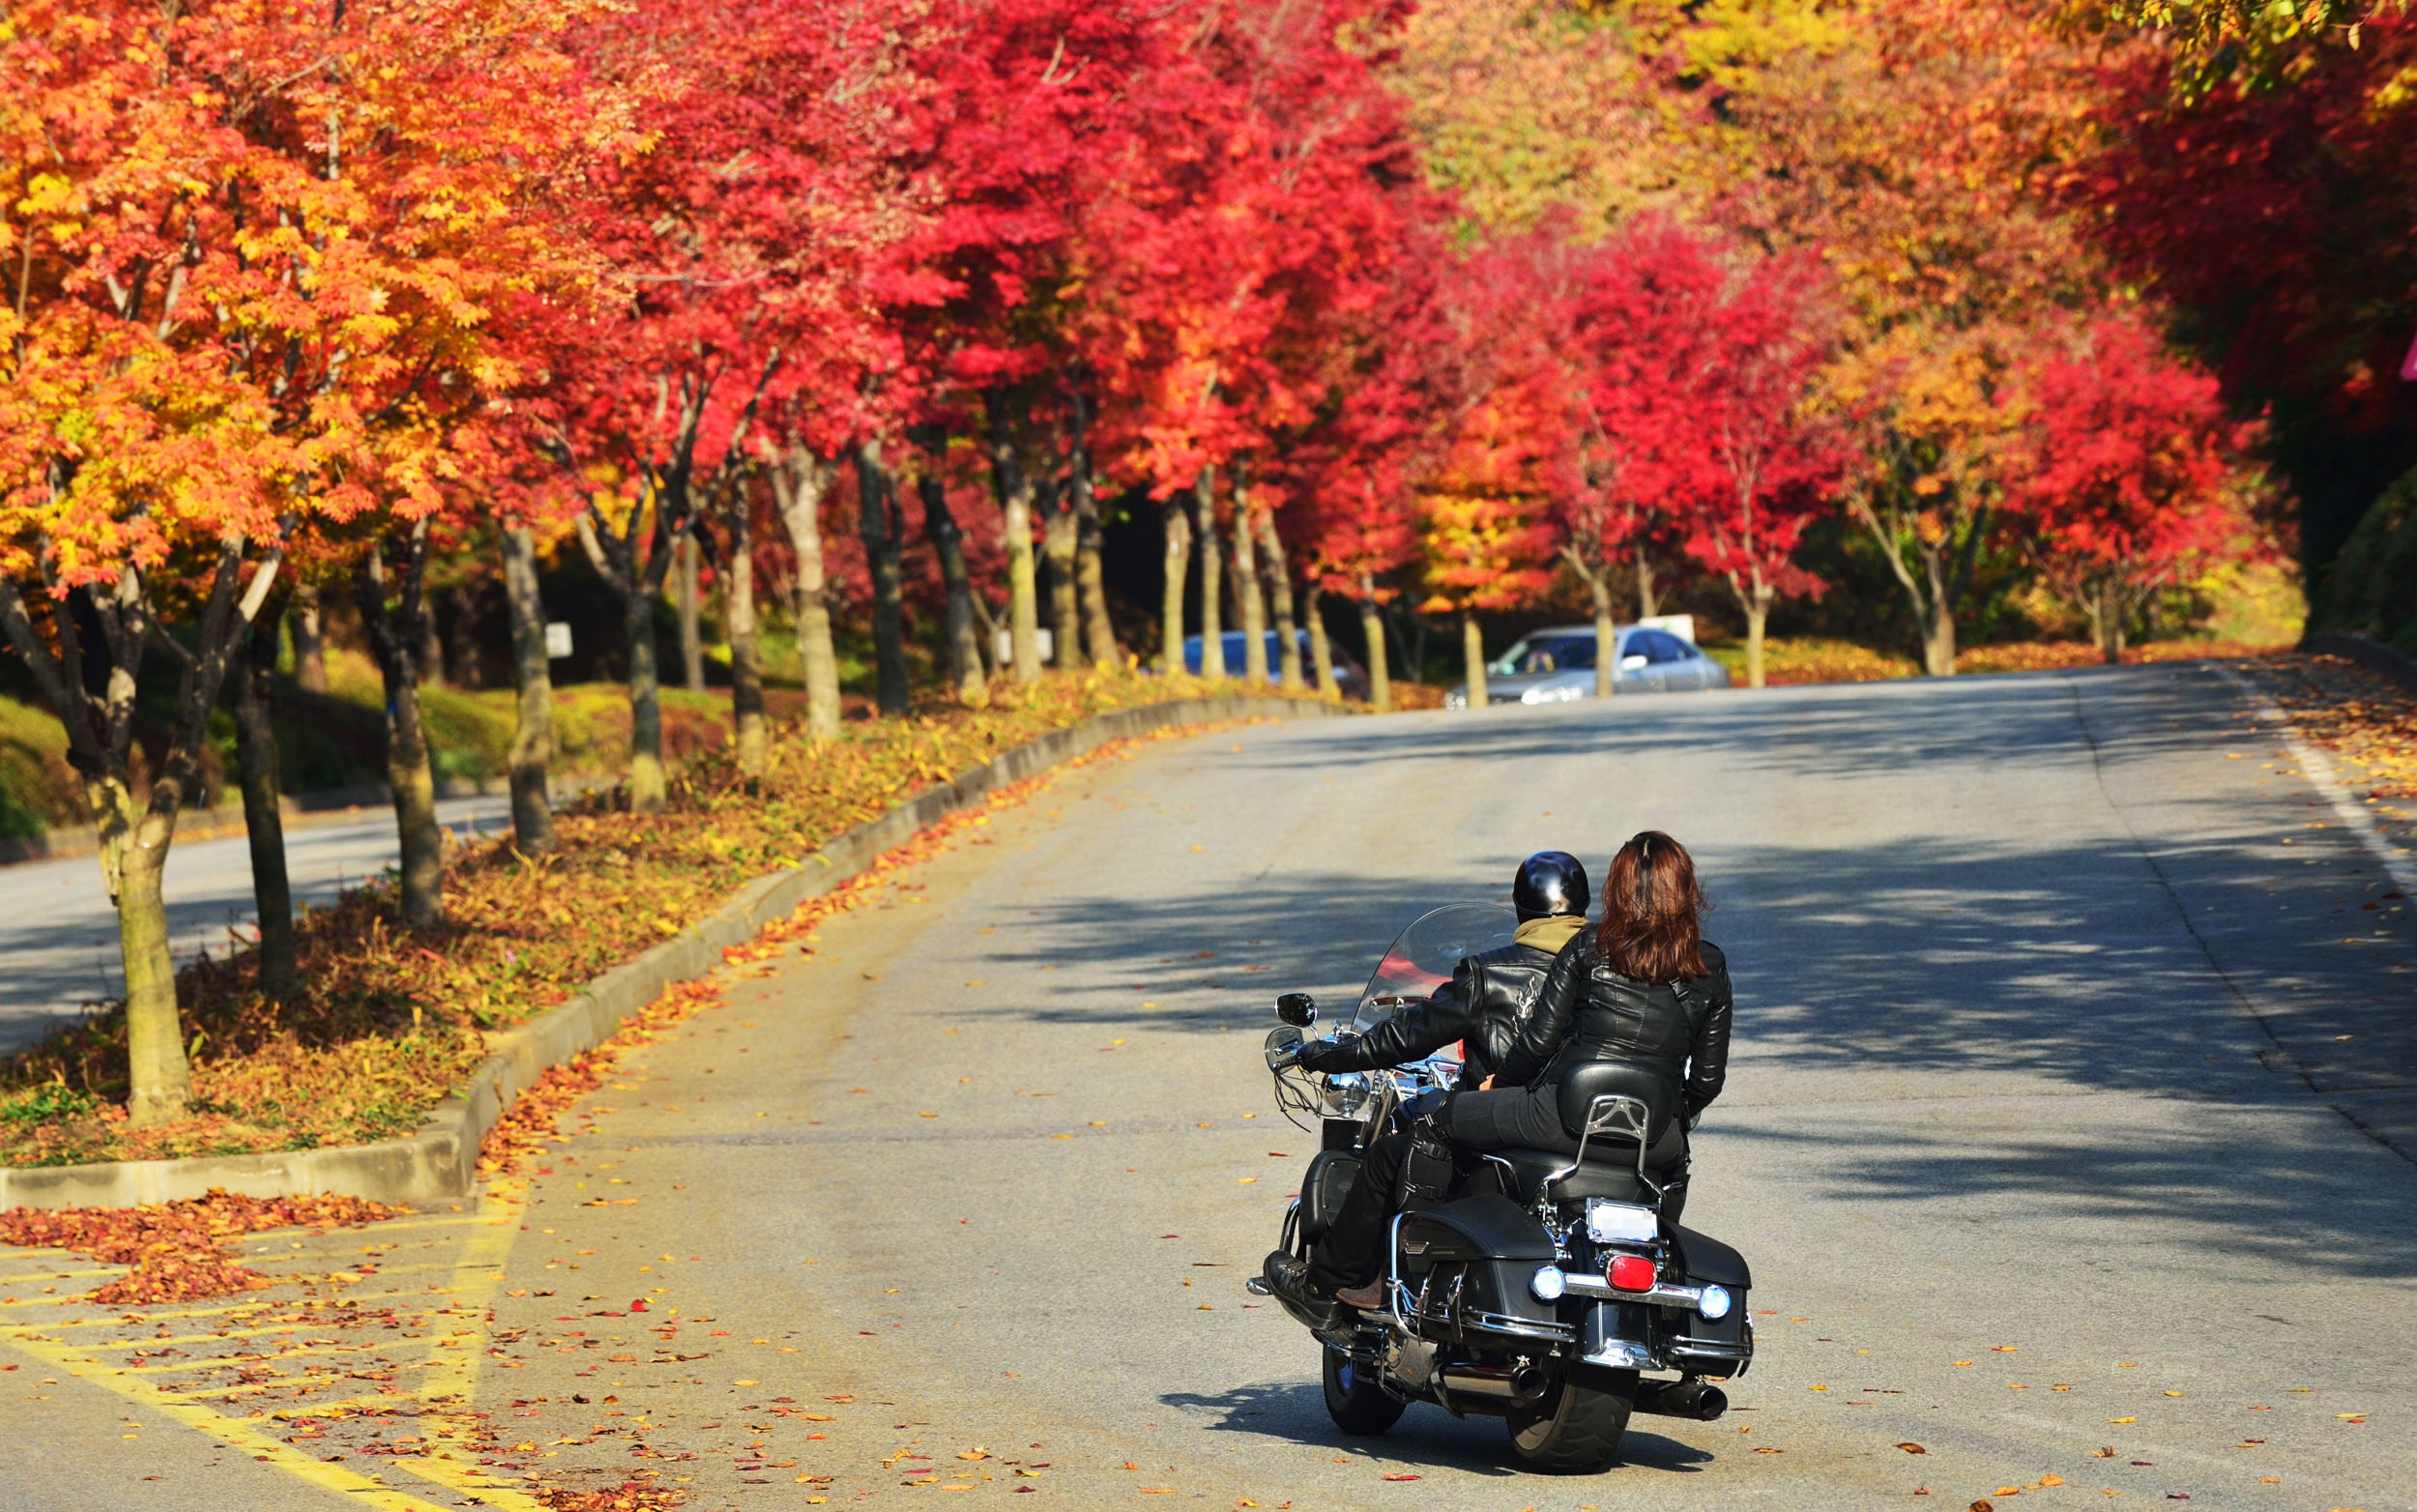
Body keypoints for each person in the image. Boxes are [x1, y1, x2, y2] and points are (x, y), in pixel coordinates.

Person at [1279, 830, 1731, 1312]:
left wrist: (1501, 1087)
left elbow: (1538, 1043)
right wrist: (1665, 1117)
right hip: (1652, 1137)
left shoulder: (1590, 949)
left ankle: (1404, 1277)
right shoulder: (1710, 965)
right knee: (1675, 1171)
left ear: (1616, 889)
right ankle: (1659, 1265)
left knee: (1433, 1121)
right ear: (1687, 891)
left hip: (1559, 1116)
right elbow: (1706, 1081)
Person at [1264, 851, 1591, 1308]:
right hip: (1588, 1131)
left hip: (1499, 1124)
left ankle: (1327, 1285)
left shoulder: (1490, 972)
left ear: (1521, 908)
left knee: (1389, 1156)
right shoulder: (1606, 972)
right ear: (1583, 906)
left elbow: (1406, 1037)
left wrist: (1326, 1054)